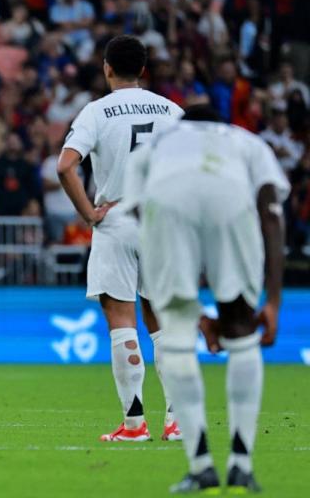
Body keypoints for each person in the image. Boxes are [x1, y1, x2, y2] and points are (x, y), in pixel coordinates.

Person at [122, 104, 289, 493]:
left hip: (166, 203)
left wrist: (189, 308)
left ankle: (200, 468)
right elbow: (271, 215)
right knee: (242, 332)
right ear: (221, 124)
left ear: (183, 127)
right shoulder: (247, 142)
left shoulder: (158, 144)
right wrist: (274, 301)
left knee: (177, 338)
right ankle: (241, 465)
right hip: (231, 201)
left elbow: (137, 210)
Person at [57, 35, 185, 442]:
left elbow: (65, 167)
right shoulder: (173, 111)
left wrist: (89, 214)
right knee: (164, 323)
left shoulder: (97, 111)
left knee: (121, 321)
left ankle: (134, 424)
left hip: (117, 221)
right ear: (144, 70)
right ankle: (177, 421)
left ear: (107, 68)